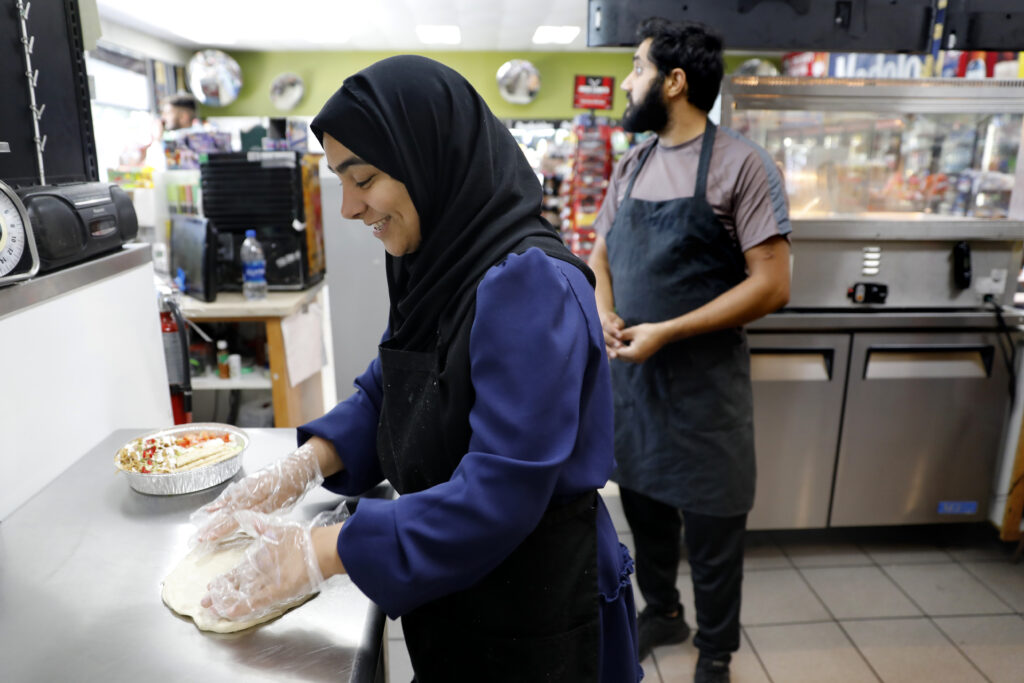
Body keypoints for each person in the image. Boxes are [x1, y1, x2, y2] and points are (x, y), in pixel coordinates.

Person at [190, 55, 642, 683]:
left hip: (537, 607)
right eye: (340, 180)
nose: (348, 207)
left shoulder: (529, 285)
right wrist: (304, 465)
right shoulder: (434, 258)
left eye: (364, 177)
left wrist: (321, 549)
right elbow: (398, 386)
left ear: (430, 160)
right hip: (459, 590)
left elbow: (501, 493)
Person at [588, 18, 791, 683]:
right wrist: (605, 308)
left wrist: (668, 330)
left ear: (675, 82)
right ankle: (664, 611)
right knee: (645, 514)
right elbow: (599, 254)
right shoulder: (633, 163)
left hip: (705, 393)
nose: (627, 81)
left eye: (638, 68)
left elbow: (773, 283)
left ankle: (716, 648)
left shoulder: (741, 163)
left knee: (711, 531)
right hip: (637, 389)